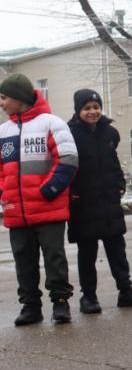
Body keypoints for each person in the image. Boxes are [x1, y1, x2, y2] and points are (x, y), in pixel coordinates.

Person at [0, 74, 77, 325]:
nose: (1, 103)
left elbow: (68, 160)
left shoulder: (51, 123)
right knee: (23, 260)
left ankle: (60, 302)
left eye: (4, 97)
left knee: (54, 257)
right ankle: (30, 306)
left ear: (19, 98)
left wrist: (48, 191)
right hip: (16, 210)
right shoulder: (3, 131)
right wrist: (4, 193)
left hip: (48, 208)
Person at [67, 89, 132, 313]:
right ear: (78, 110)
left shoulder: (110, 133)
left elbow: (113, 162)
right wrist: (71, 192)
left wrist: (119, 183)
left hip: (108, 201)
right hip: (83, 203)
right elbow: (67, 167)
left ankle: (126, 291)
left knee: (117, 249)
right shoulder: (69, 134)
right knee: (87, 253)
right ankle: (88, 297)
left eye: (96, 107)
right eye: (87, 108)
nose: (92, 112)